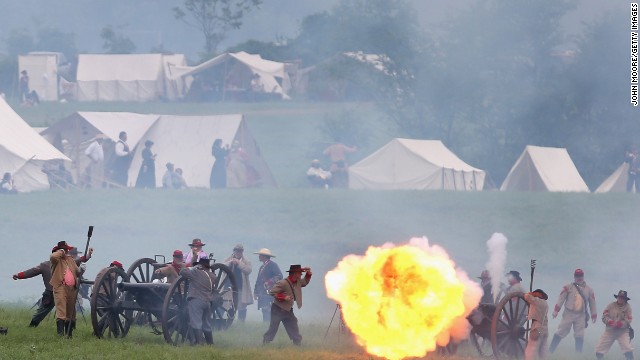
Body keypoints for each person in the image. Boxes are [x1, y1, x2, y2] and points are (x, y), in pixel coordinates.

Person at [548, 268, 597, 354]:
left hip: (581, 315)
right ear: (574, 277)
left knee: (580, 334)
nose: (579, 278)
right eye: (577, 276)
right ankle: (550, 351)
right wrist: (556, 311)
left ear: (583, 276)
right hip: (568, 313)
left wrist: (594, 314)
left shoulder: (589, 290)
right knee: (561, 330)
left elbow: (592, 303)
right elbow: (561, 299)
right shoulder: (568, 287)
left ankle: (578, 354)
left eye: (580, 276)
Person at [50, 241, 93, 338]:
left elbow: (77, 273)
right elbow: (53, 257)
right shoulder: (56, 260)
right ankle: (60, 335)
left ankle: (69, 334)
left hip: (71, 289)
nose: (67, 251)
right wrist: (61, 251)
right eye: (66, 249)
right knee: (61, 311)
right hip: (60, 287)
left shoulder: (70, 260)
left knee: (71, 312)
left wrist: (82, 269)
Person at [263, 264, 312, 346]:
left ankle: (297, 343)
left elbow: (305, 282)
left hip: (288, 310)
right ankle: (266, 342)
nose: (301, 274)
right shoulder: (283, 283)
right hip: (277, 309)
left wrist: (308, 273)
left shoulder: (298, 282)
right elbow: (272, 292)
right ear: (294, 273)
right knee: (273, 328)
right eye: (299, 273)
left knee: (293, 324)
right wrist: (283, 297)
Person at [180, 256, 216, 345]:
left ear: (201, 265)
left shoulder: (196, 272)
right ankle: (210, 343)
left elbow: (182, 272)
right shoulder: (212, 276)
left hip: (196, 300)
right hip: (207, 302)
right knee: (206, 324)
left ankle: (199, 343)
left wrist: (193, 267)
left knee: (196, 322)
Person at [13, 260, 55, 327]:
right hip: (50, 293)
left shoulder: (68, 263)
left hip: (65, 292)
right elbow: (32, 271)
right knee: (40, 313)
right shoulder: (46, 265)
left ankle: (65, 333)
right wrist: (19, 275)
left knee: (67, 314)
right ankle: (31, 327)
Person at [595, 290, 634, 360]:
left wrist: (621, 324)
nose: (620, 299)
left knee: (627, 349)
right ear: (617, 297)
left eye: (622, 298)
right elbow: (604, 316)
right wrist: (610, 321)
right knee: (599, 350)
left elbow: (629, 319)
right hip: (610, 331)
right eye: (619, 297)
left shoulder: (628, 307)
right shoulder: (610, 305)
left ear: (625, 299)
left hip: (622, 332)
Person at [223, 244, 253, 322]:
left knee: (241, 306)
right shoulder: (228, 259)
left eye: (239, 251)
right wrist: (231, 262)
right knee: (227, 305)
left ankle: (241, 323)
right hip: (228, 287)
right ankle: (228, 321)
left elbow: (248, 270)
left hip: (240, 287)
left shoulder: (246, 262)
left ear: (242, 252)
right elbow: (222, 267)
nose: (238, 252)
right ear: (234, 251)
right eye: (236, 250)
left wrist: (239, 263)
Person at [253, 248, 283, 322]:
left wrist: (269, 282)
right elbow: (258, 281)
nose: (259, 256)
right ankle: (266, 325)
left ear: (264, 256)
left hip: (271, 291)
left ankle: (270, 324)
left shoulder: (273, 265)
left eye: (260, 255)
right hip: (262, 292)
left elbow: (279, 276)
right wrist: (255, 291)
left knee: (269, 309)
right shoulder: (261, 267)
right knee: (264, 308)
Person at [523, 289, 549, 360]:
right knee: (543, 352)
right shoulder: (545, 304)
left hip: (537, 328)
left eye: (536, 293)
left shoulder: (537, 301)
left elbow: (526, 296)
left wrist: (531, 293)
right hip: (545, 329)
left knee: (530, 351)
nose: (534, 294)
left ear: (539, 294)